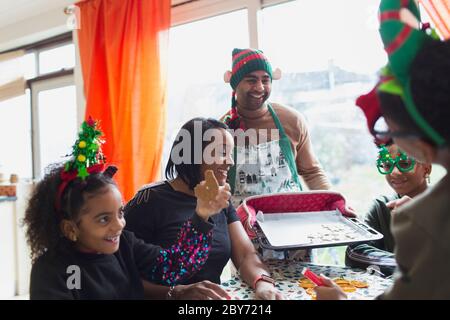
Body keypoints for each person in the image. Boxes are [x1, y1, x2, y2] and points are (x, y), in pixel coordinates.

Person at [316, 0, 450, 299]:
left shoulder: (426, 221)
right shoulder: (394, 209)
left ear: (420, 147)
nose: (394, 169)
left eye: (389, 133)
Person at [25, 118, 229, 299]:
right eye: (104, 219)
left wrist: (202, 214)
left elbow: (174, 267)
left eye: (120, 213)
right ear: (70, 229)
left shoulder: (124, 246)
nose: (119, 225)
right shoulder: (54, 270)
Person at [124, 118, 284, 300]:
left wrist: (262, 282)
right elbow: (121, 274)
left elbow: (246, 254)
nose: (230, 162)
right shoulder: (148, 201)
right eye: (222, 152)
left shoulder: (219, 200)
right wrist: (175, 293)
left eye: (230, 153)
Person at [221, 48, 331, 206]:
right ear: (235, 85)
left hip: (292, 216)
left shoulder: (292, 120)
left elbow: (312, 172)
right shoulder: (220, 131)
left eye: (265, 80)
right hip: (242, 225)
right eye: (251, 80)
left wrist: (334, 203)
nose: (260, 87)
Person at [345, 142, 432, 276]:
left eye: (404, 163)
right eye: (387, 165)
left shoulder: (442, 206)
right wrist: (404, 265)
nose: (394, 172)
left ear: (426, 168)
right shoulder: (381, 207)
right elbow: (354, 252)